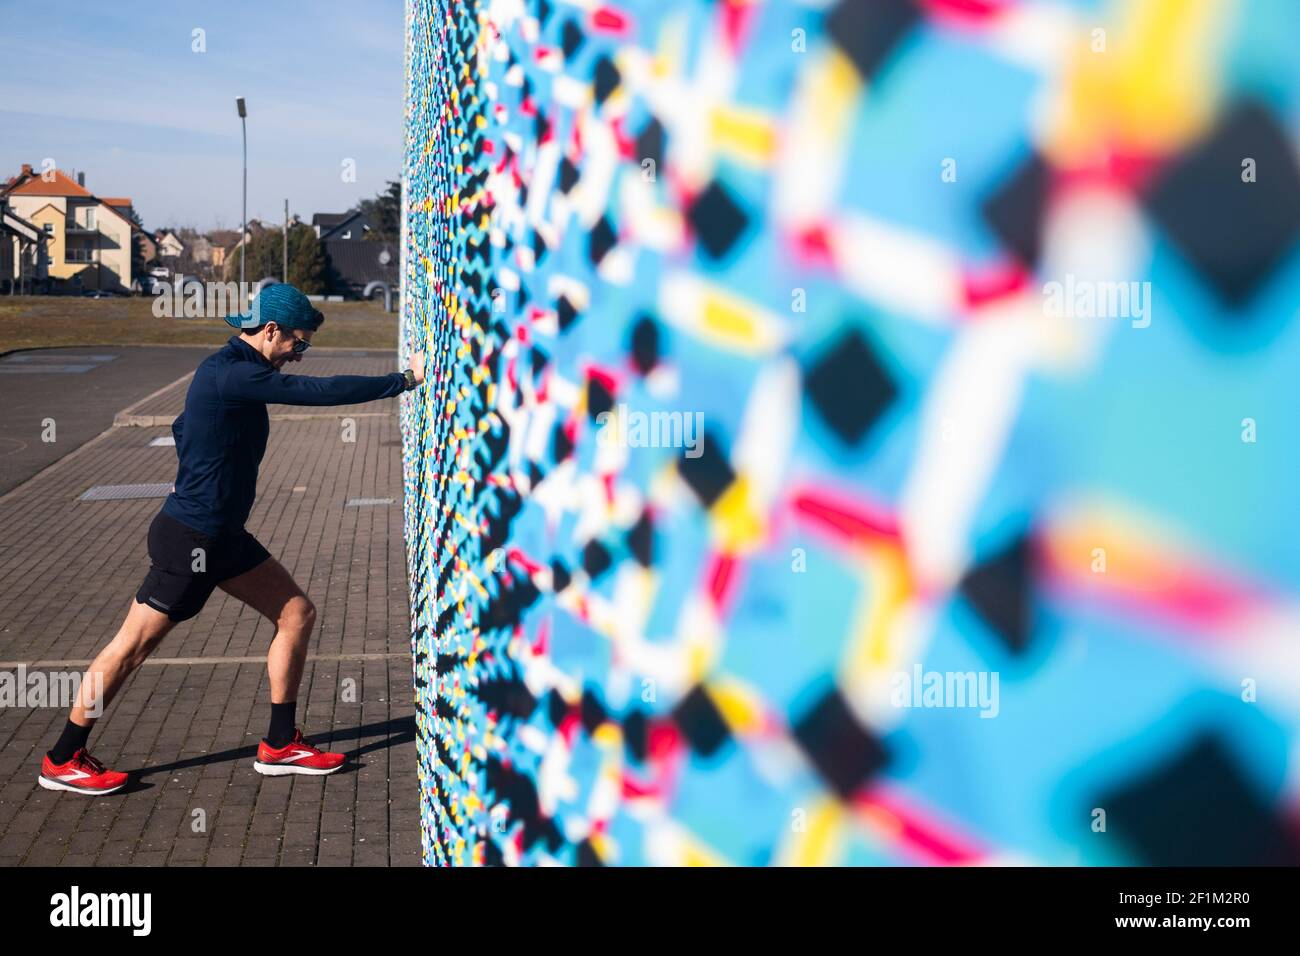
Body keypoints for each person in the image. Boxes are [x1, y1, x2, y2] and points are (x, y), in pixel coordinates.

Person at [38, 284, 424, 795]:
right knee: (131, 647)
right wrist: (404, 380)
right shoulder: (238, 373)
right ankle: (62, 759)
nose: (298, 354)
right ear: (270, 331)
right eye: (298, 344)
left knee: (296, 614)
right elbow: (319, 391)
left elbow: (182, 426)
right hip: (192, 538)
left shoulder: (227, 370)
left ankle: (280, 745)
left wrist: (201, 472)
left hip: (221, 536)